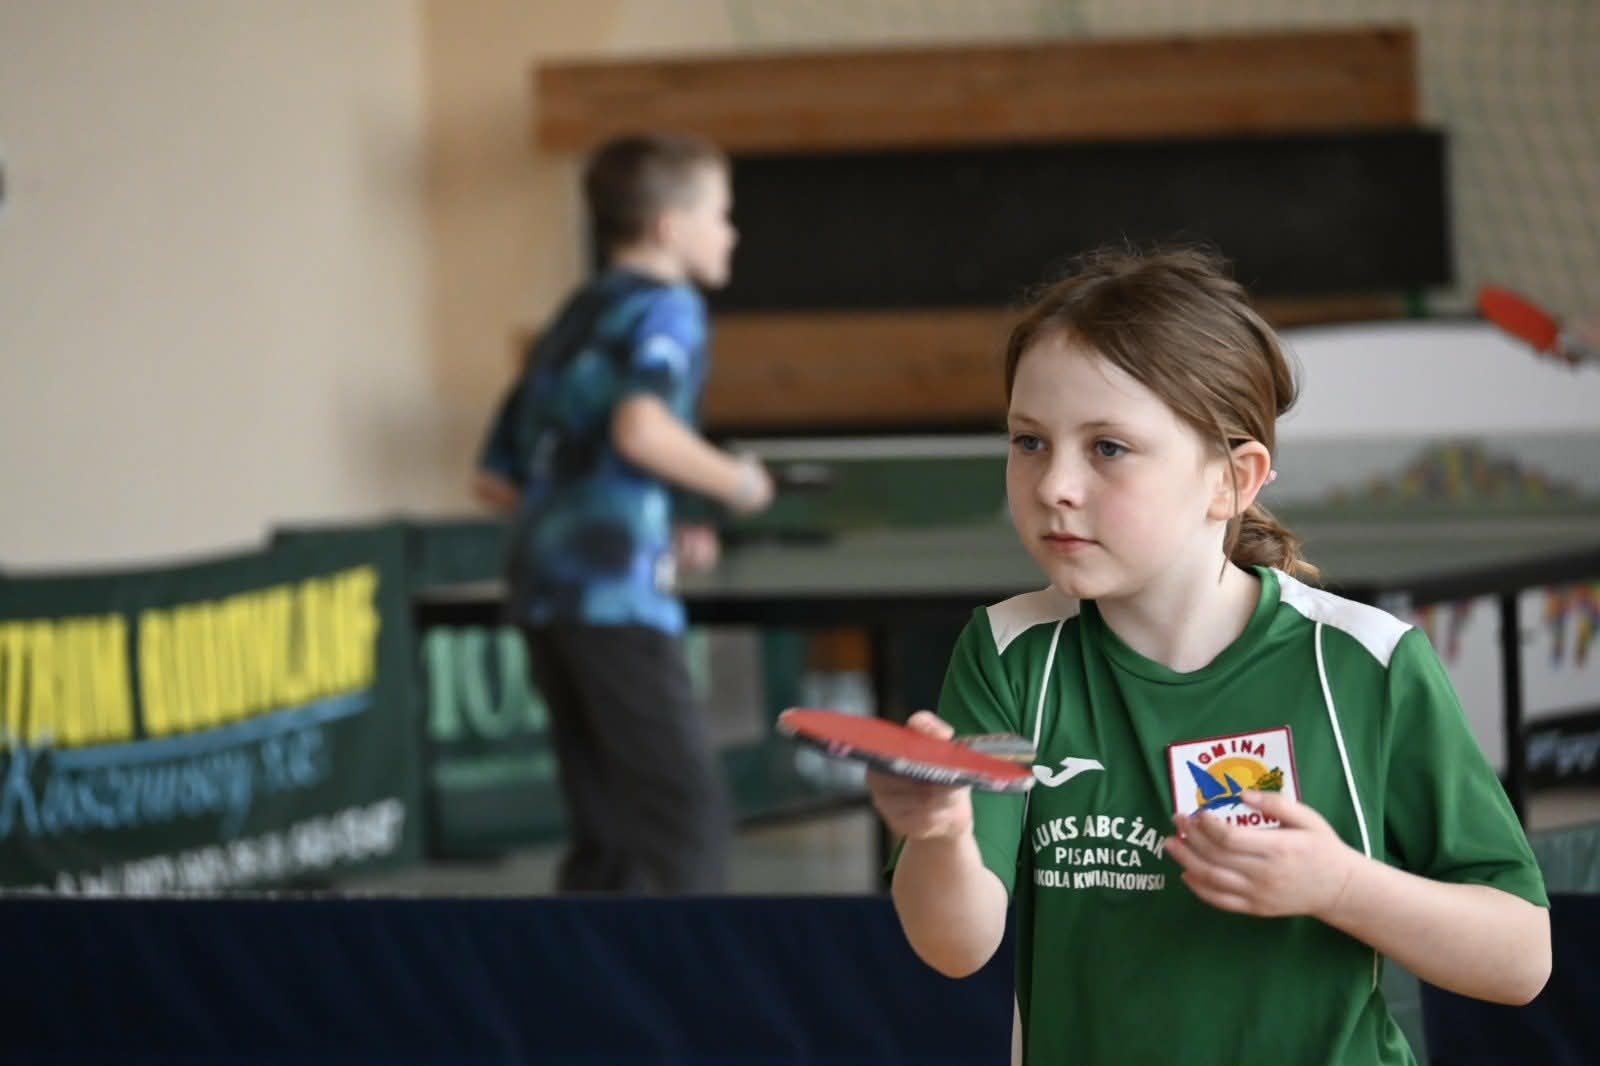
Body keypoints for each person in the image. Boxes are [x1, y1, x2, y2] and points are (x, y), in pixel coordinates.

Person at [871, 247, 1551, 1065]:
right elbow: (955, 947)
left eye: (1108, 447)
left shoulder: (1367, 663)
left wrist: (1340, 886)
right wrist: (943, 834)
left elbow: (1521, 960)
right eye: (1029, 442)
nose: (1054, 485)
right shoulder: (1010, 653)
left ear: (1233, 480)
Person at [474, 131, 774, 893]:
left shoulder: (576, 314)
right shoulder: (670, 309)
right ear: (670, 228)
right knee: (686, 823)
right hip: (614, 598)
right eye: (721, 214)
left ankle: (585, 971)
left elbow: (497, 478)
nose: (732, 233)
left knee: (608, 834)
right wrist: (737, 483)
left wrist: (649, 518)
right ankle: (692, 974)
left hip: (541, 593)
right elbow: (640, 429)